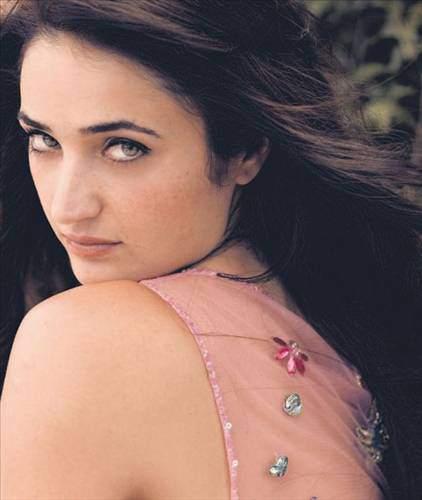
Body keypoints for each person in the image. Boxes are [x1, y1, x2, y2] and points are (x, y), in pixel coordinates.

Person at [0, 1, 421, 498]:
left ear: (246, 150)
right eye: (43, 139)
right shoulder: (342, 330)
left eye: (125, 147)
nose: (68, 206)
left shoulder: (81, 342)